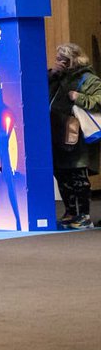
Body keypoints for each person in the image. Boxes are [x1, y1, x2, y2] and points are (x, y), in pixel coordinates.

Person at [47, 43, 101, 229]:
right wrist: (53, 74)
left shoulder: (88, 79)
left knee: (78, 175)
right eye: (58, 58)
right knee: (61, 174)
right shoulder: (56, 77)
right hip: (57, 133)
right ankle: (70, 212)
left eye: (64, 59)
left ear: (74, 60)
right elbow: (38, 91)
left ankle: (84, 215)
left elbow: (99, 100)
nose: (60, 62)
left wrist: (78, 97)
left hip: (77, 136)